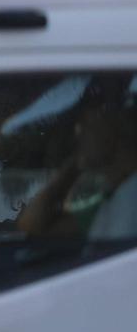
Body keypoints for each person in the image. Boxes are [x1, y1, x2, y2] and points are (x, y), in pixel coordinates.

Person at [19, 81, 137, 240]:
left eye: (86, 123)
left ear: (116, 126)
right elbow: (33, 226)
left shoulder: (130, 195)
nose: (78, 132)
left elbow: (32, 226)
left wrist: (76, 164)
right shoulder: (113, 196)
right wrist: (75, 164)